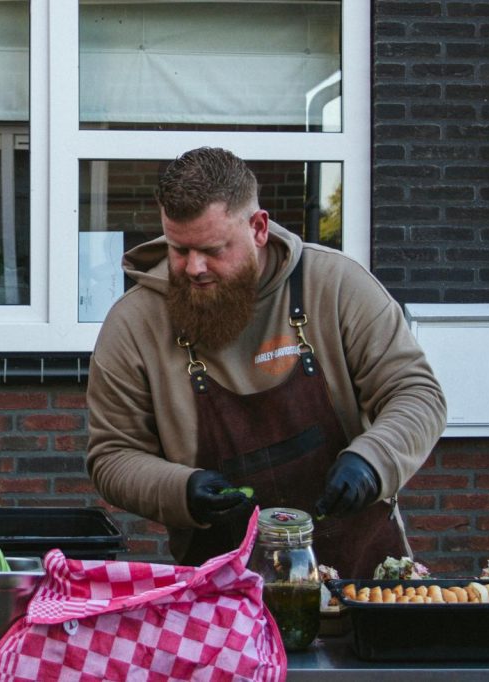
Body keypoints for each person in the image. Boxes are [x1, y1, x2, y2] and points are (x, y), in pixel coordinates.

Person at [86, 147, 445, 577]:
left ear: (258, 227)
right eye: (179, 249)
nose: (193, 267)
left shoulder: (335, 286)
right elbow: (112, 456)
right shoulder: (134, 325)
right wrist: (182, 489)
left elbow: (417, 393)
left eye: (213, 249)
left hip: (363, 581)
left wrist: (372, 460)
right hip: (222, 596)